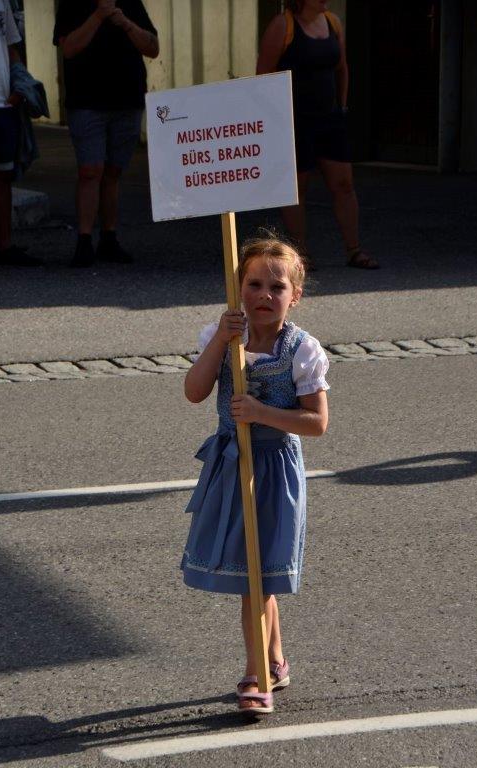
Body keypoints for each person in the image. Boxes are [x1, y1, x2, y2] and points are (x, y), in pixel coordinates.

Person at [182, 235, 329, 713]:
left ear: (295, 296)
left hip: (274, 467)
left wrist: (262, 412)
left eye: (277, 287)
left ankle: (256, 675)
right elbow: (194, 391)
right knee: (254, 572)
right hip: (232, 461)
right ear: (237, 287)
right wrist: (221, 342)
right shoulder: (224, 336)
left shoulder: (302, 350)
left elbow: (317, 422)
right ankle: (276, 660)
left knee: (257, 578)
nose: (264, 295)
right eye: (254, 284)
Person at [257, 0, 378, 269]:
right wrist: (275, 121)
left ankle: (354, 250)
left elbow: (342, 67)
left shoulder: (333, 23)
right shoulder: (283, 25)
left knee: (344, 184)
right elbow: (263, 75)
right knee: (296, 189)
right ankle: (300, 255)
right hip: (295, 122)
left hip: (330, 120)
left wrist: (342, 106)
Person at [53, 0, 159, 267]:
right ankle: (84, 240)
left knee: (113, 172)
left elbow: (152, 47)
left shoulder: (130, 3)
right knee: (90, 171)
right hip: (87, 103)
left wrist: (125, 23)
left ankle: (108, 238)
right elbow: (68, 48)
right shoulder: (72, 5)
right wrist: (99, 16)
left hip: (127, 101)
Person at [0, 0, 40, 266]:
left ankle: (3, 248)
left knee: (2, 175)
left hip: (0, 102)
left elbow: (11, 45)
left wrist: (20, 85)